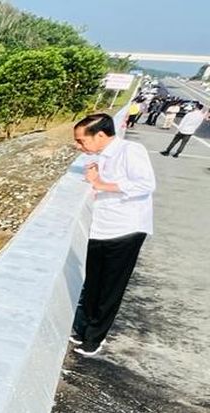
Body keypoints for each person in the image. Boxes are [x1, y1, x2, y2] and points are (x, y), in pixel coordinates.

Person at [69, 113, 156, 357]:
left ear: (99, 135)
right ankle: (84, 327)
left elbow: (146, 184)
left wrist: (99, 184)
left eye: (81, 140)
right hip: (101, 227)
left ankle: (95, 338)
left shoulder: (130, 151)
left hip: (126, 229)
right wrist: (95, 179)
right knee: (94, 281)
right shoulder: (100, 157)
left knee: (110, 287)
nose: (79, 146)